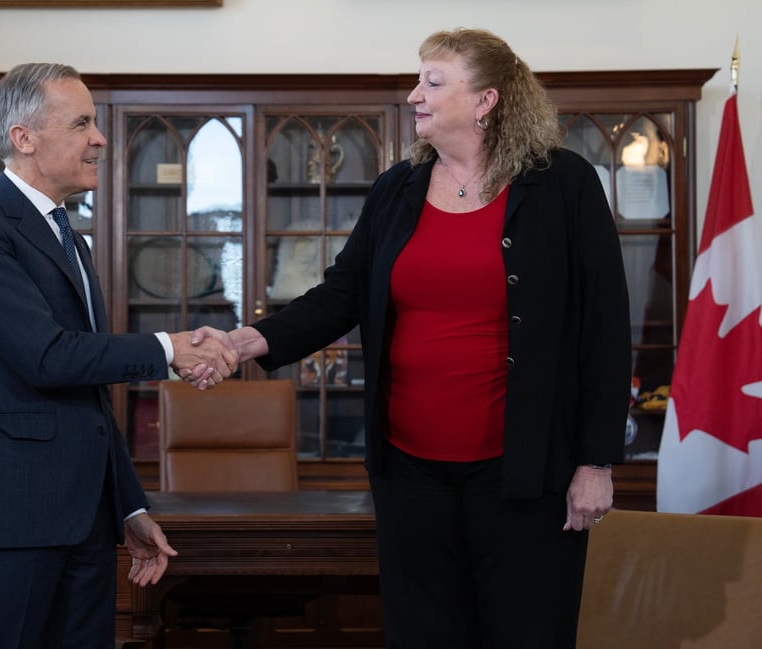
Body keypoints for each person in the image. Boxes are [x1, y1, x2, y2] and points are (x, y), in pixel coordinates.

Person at [189, 28, 632, 649]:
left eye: (432, 81)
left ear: (486, 100)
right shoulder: (397, 188)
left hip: (528, 471)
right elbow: (341, 294)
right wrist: (243, 343)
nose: (413, 94)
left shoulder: (563, 183)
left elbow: (605, 328)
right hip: (410, 472)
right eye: (418, 79)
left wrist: (595, 461)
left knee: (527, 633)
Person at [0, 62, 237, 649]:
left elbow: (87, 394)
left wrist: (126, 508)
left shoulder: (66, 234)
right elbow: (47, 357)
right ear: (25, 139)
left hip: (85, 522)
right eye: (82, 124)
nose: (100, 138)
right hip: (8, 521)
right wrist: (169, 347)